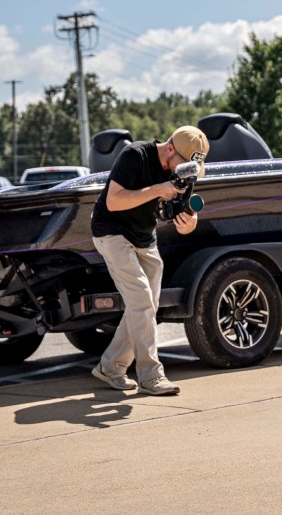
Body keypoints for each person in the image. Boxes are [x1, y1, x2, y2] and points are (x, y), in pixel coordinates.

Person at [90, 125, 209, 394]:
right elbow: (113, 201)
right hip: (112, 232)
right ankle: (151, 376)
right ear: (170, 149)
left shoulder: (183, 172)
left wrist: (189, 222)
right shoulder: (135, 155)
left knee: (144, 307)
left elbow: (185, 219)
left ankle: (110, 367)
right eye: (183, 166)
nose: (184, 174)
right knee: (142, 300)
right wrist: (157, 189)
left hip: (145, 237)